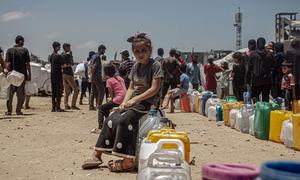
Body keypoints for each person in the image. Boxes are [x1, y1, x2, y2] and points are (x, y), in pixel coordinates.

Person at [82, 33, 163, 172]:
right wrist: (123, 104)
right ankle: (97, 155)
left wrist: (135, 100)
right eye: (137, 51)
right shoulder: (136, 66)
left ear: (150, 50)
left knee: (125, 119)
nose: (140, 54)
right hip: (134, 101)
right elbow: (131, 87)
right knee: (112, 117)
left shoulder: (155, 65)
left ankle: (128, 161)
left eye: (143, 51)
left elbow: (154, 89)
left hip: (148, 102)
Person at [91, 64, 126, 134]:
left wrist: (111, 99)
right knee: (106, 108)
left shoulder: (109, 80)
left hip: (118, 99)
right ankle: (108, 125)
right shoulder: (120, 78)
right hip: (125, 99)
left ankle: (100, 127)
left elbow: (112, 95)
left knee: (101, 108)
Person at [5, 35, 31, 115]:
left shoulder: (9, 50)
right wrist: (29, 74)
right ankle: (18, 110)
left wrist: (7, 73)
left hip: (12, 75)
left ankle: (9, 111)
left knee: (10, 94)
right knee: (20, 95)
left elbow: (8, 63)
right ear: (21, 41)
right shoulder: (25, 50)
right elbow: (28, 64)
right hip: (21, 76)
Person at [248, 38, 274, 102]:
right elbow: (273, 65)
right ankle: (265, 110)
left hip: (256, 79)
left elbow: (249, 68)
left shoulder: (253, 54)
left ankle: (257, 109)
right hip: (267, 79)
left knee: (255, 96)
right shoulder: (269, 54)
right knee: (265, 98)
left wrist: (248, 80)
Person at [61, 43, 80, 110]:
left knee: (66, 91)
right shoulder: (68, 55)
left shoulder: (61, 55)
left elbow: (62, 65)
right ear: (65, 47)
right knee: (76, 90)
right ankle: (73, 105)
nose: (69, 48)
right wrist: (71, 56)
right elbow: (72, 63)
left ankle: (66, 105)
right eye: (68, 47)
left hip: (63, 74)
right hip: (69, 74)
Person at [90, 45, 106, 109]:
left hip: (93, 76)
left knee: (93, 91)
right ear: (100, 49)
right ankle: (99, 105)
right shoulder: (97, 57)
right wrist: (93, 74)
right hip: (97, 76)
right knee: (102, 91)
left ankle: (91, 106)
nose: (104, 51)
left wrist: (91, 75)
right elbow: (94, 67)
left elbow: (91, 66)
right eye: (104, 49)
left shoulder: (93, 56)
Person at [49, 42, 64, 112]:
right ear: (55, 47)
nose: (59, 48)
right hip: (58, 76)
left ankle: (53, 107)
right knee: (58, 92)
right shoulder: (58, 56)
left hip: (52, 76)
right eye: (59, 46)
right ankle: (57, 107)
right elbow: (62, 64)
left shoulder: (51, 56)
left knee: (53, 92)